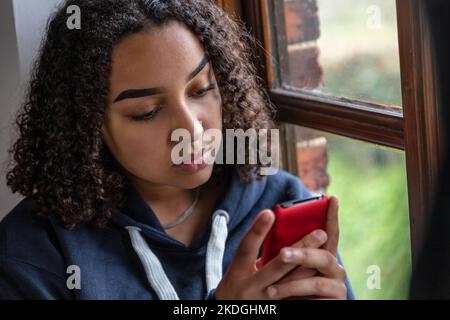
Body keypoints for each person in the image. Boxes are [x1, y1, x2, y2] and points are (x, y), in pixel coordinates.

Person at [0, 0, 353, 300]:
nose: (191, 129)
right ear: (88, 125)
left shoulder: (282, 204)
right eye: (147, 112)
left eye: (201, 89)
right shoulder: (35, 252)